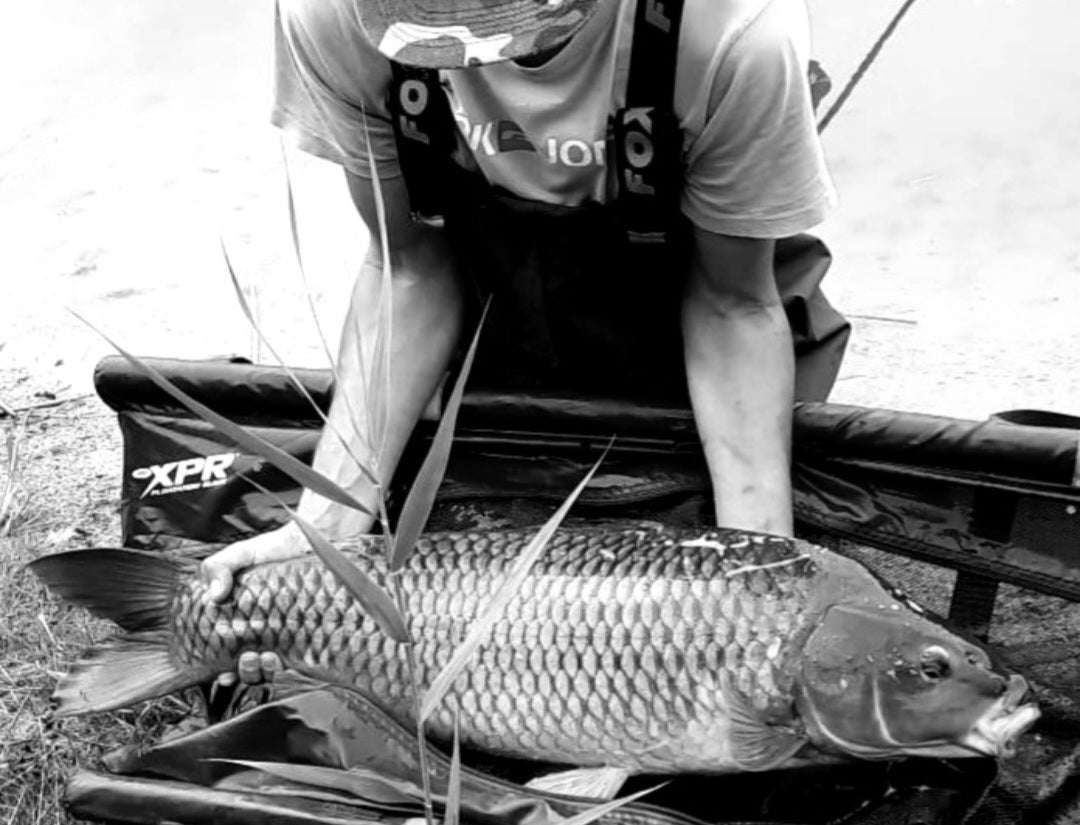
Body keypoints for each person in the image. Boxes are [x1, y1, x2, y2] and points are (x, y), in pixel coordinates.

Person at [202, 0, 844, 631]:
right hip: (486, 330)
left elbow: (732, 303)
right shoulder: (337, 14)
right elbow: (411, 269)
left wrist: (756, 581)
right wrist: (326, 531)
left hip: (698, 327)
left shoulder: (738, 30)